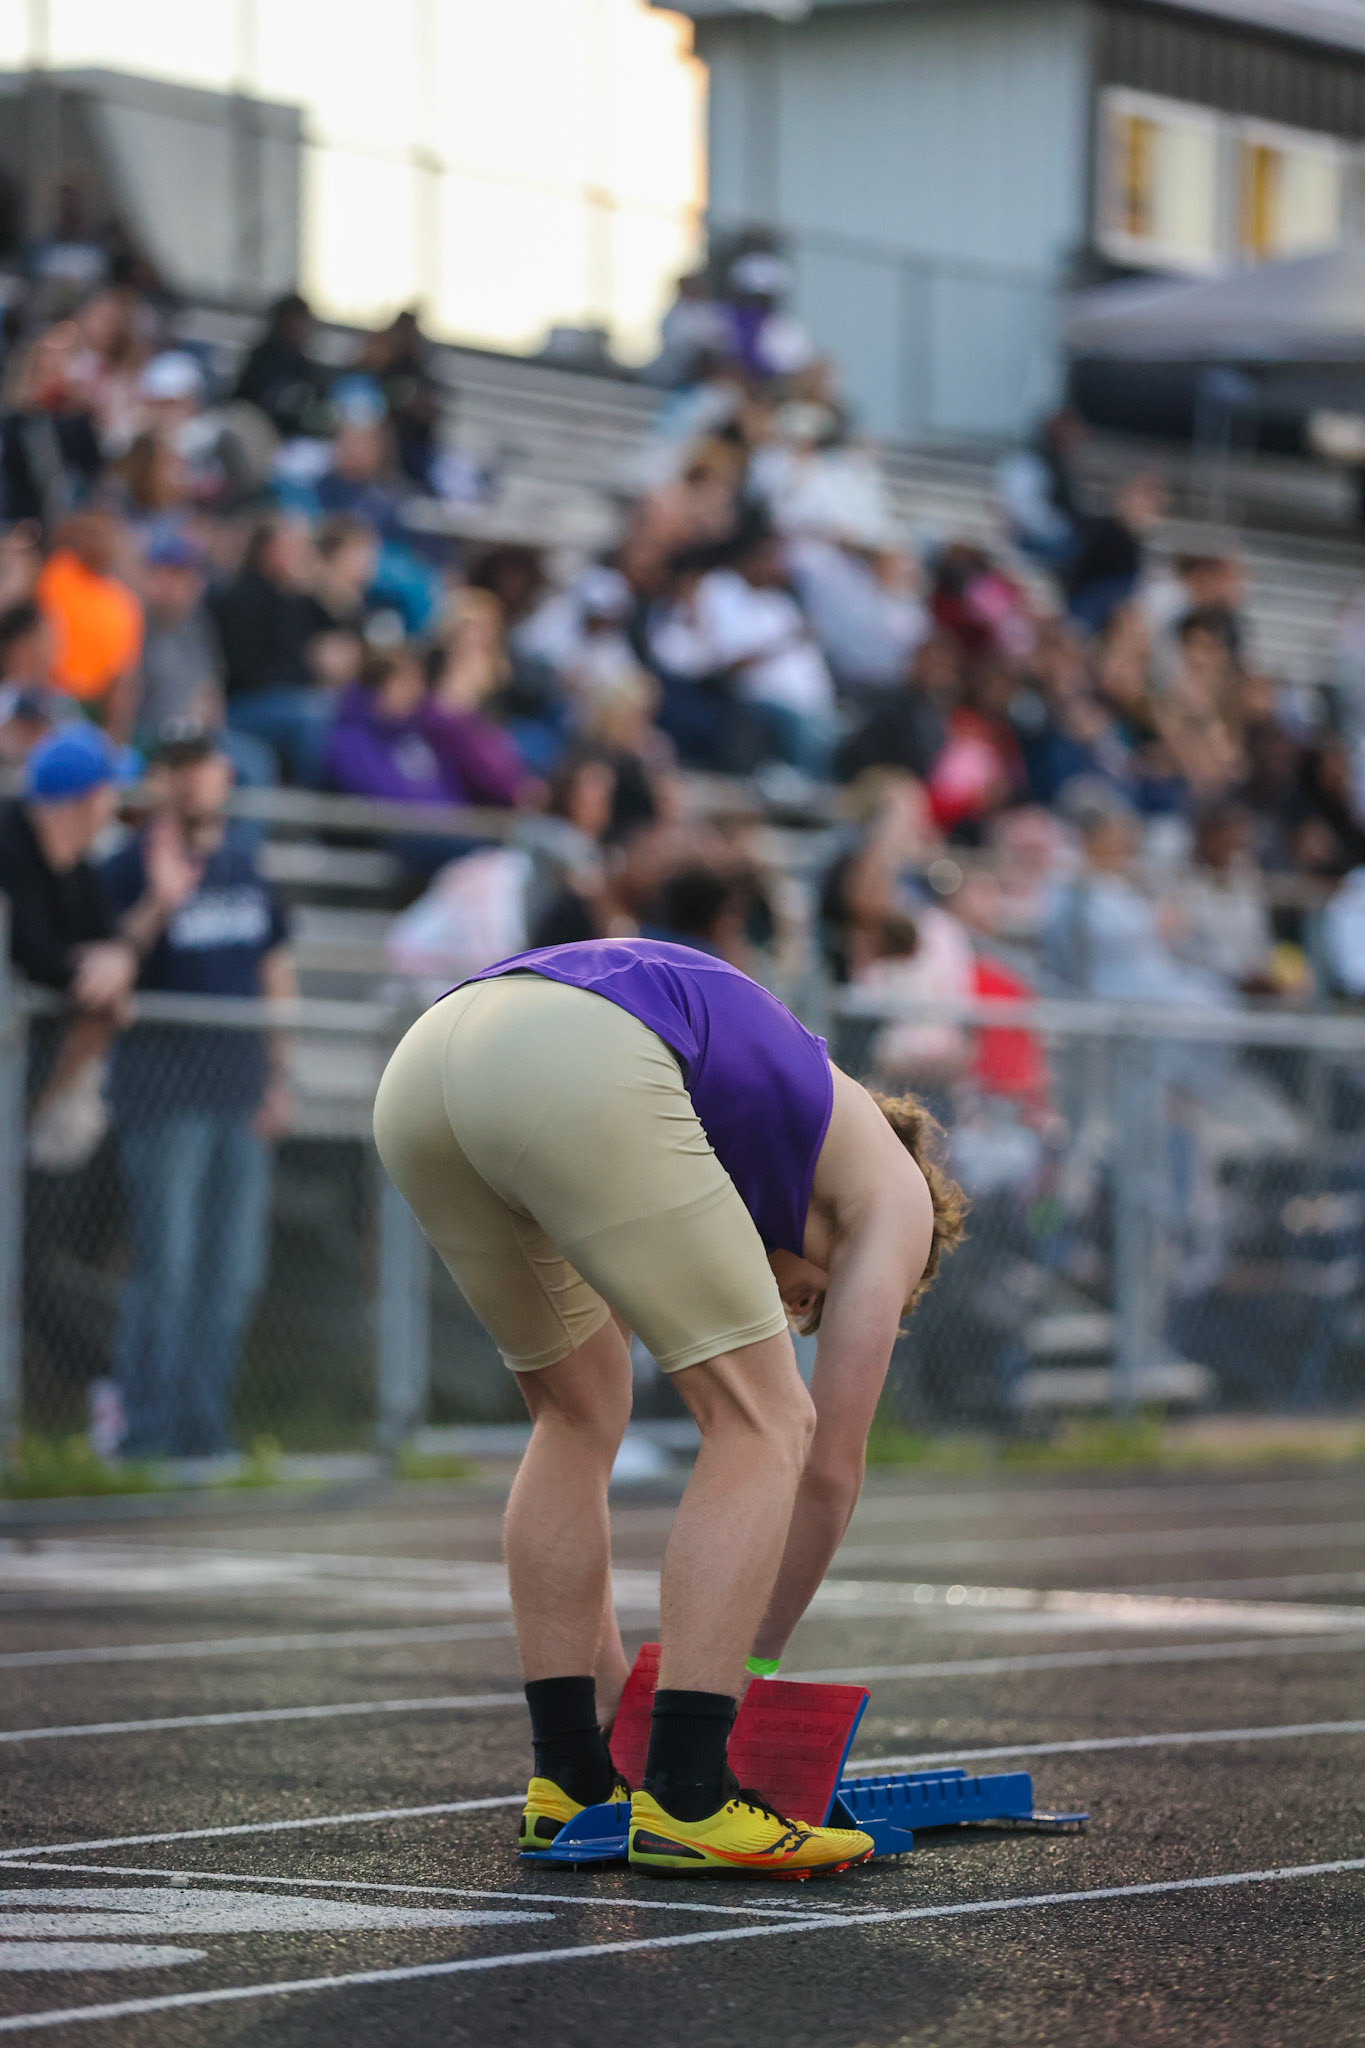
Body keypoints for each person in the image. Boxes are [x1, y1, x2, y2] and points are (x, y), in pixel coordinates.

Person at [373, 936, 965, 1877]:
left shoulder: (751, 1133)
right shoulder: (895, 1201)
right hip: (568, 1052)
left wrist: (622, 1700)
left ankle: (569, 1774)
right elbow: (827, 1471)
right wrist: (752, 1668)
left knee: (576, 1410)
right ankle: (690, 1794)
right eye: (810, 1300)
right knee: (766, 1419)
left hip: (429, 1062)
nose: (794, 1308)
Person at [101, 724, 294, 1457]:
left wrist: (279, 1073)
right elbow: (105, 964)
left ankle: (202, 1433)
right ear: (157, 780)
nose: (192, 781)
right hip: (163, 1095)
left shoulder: (247, 865)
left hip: (239, 1094)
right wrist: (159, 899)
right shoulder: (124, 868)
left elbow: (275, 973)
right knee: (167, 1272)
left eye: (202, 766)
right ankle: (143, 1435)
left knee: (231, 1277)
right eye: (176, 768)